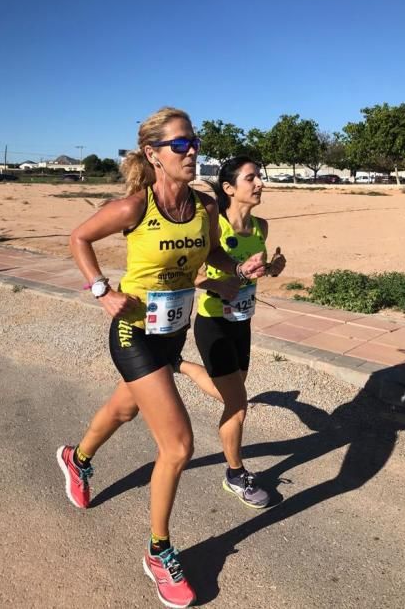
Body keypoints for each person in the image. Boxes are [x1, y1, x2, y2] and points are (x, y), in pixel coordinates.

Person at [56, 108, 266, 609]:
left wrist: (237, 269)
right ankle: (158, 551)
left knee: (126, 408)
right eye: (179, 145)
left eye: (193, 142)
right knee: (178, 445)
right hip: (132, 333)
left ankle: (76, 458)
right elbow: (78, 238)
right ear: (153, 155)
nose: (191, 150)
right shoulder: (133, 207)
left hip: (172, 332)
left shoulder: (203, 209)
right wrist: (101, 289)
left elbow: (214, 257)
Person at [177, 156, 286, 509]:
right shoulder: (213, 228)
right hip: (213, 323)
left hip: (243, 322)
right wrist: (221, 283)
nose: (260, 184)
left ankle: (180, 366)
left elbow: (251, 272)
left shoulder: (261, 228)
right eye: (251, 178)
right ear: (229, 188)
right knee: (237, 405)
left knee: (230, 393)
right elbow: (190, 276)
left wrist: (271, 270)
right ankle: (235, 474)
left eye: (260, 177)